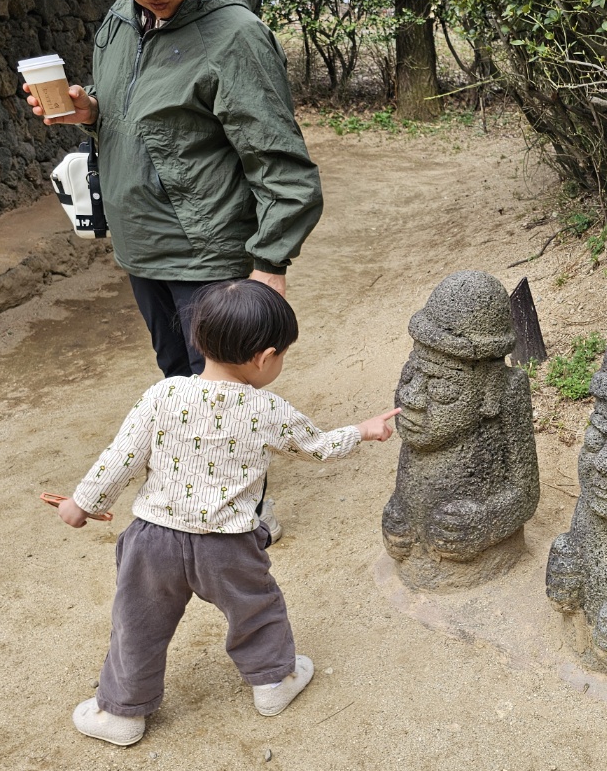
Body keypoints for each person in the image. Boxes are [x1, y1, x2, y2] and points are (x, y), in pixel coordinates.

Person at [54, 280, 399, 746]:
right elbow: (317, 448)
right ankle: (273, 682)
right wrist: (364, 430)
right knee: (255, 609)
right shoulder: (267, 408)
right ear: (264, 357)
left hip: (154, 540)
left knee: (137, 621)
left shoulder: (163, 395)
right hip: (229, 545)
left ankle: (122, 712)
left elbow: (121, 456)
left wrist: (83, 503)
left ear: (199, 339)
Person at [25, 0, 322, 381]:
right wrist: (92, 112)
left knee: (220, 392)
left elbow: (282, 167)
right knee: (177, 381)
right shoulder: (121, 21)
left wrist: (271, 265)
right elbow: (149, 117)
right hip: (141, 246)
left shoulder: (235, 38)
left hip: (207, 258)